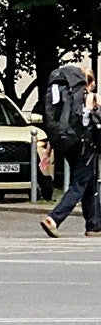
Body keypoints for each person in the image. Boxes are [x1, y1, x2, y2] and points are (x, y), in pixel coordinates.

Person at [41, 68, 101, 237]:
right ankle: (54, 218)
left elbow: (59, 126)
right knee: (79, 184)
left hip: (68, 145)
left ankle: (94, 225)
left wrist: (47, 152)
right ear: (88, 83)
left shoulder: (65, 99)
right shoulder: (91, 97)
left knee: (90, 184)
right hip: (86, 146)